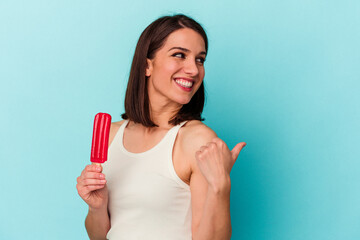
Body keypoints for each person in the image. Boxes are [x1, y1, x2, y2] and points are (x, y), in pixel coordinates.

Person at [76, 14, 246, 240]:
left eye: (200, 59)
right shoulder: (110, 134)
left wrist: (220, 187)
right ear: (147, 65)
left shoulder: (196, 141)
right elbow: (99, 237)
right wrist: (96, 207)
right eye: (179, 55)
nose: (194, 70)